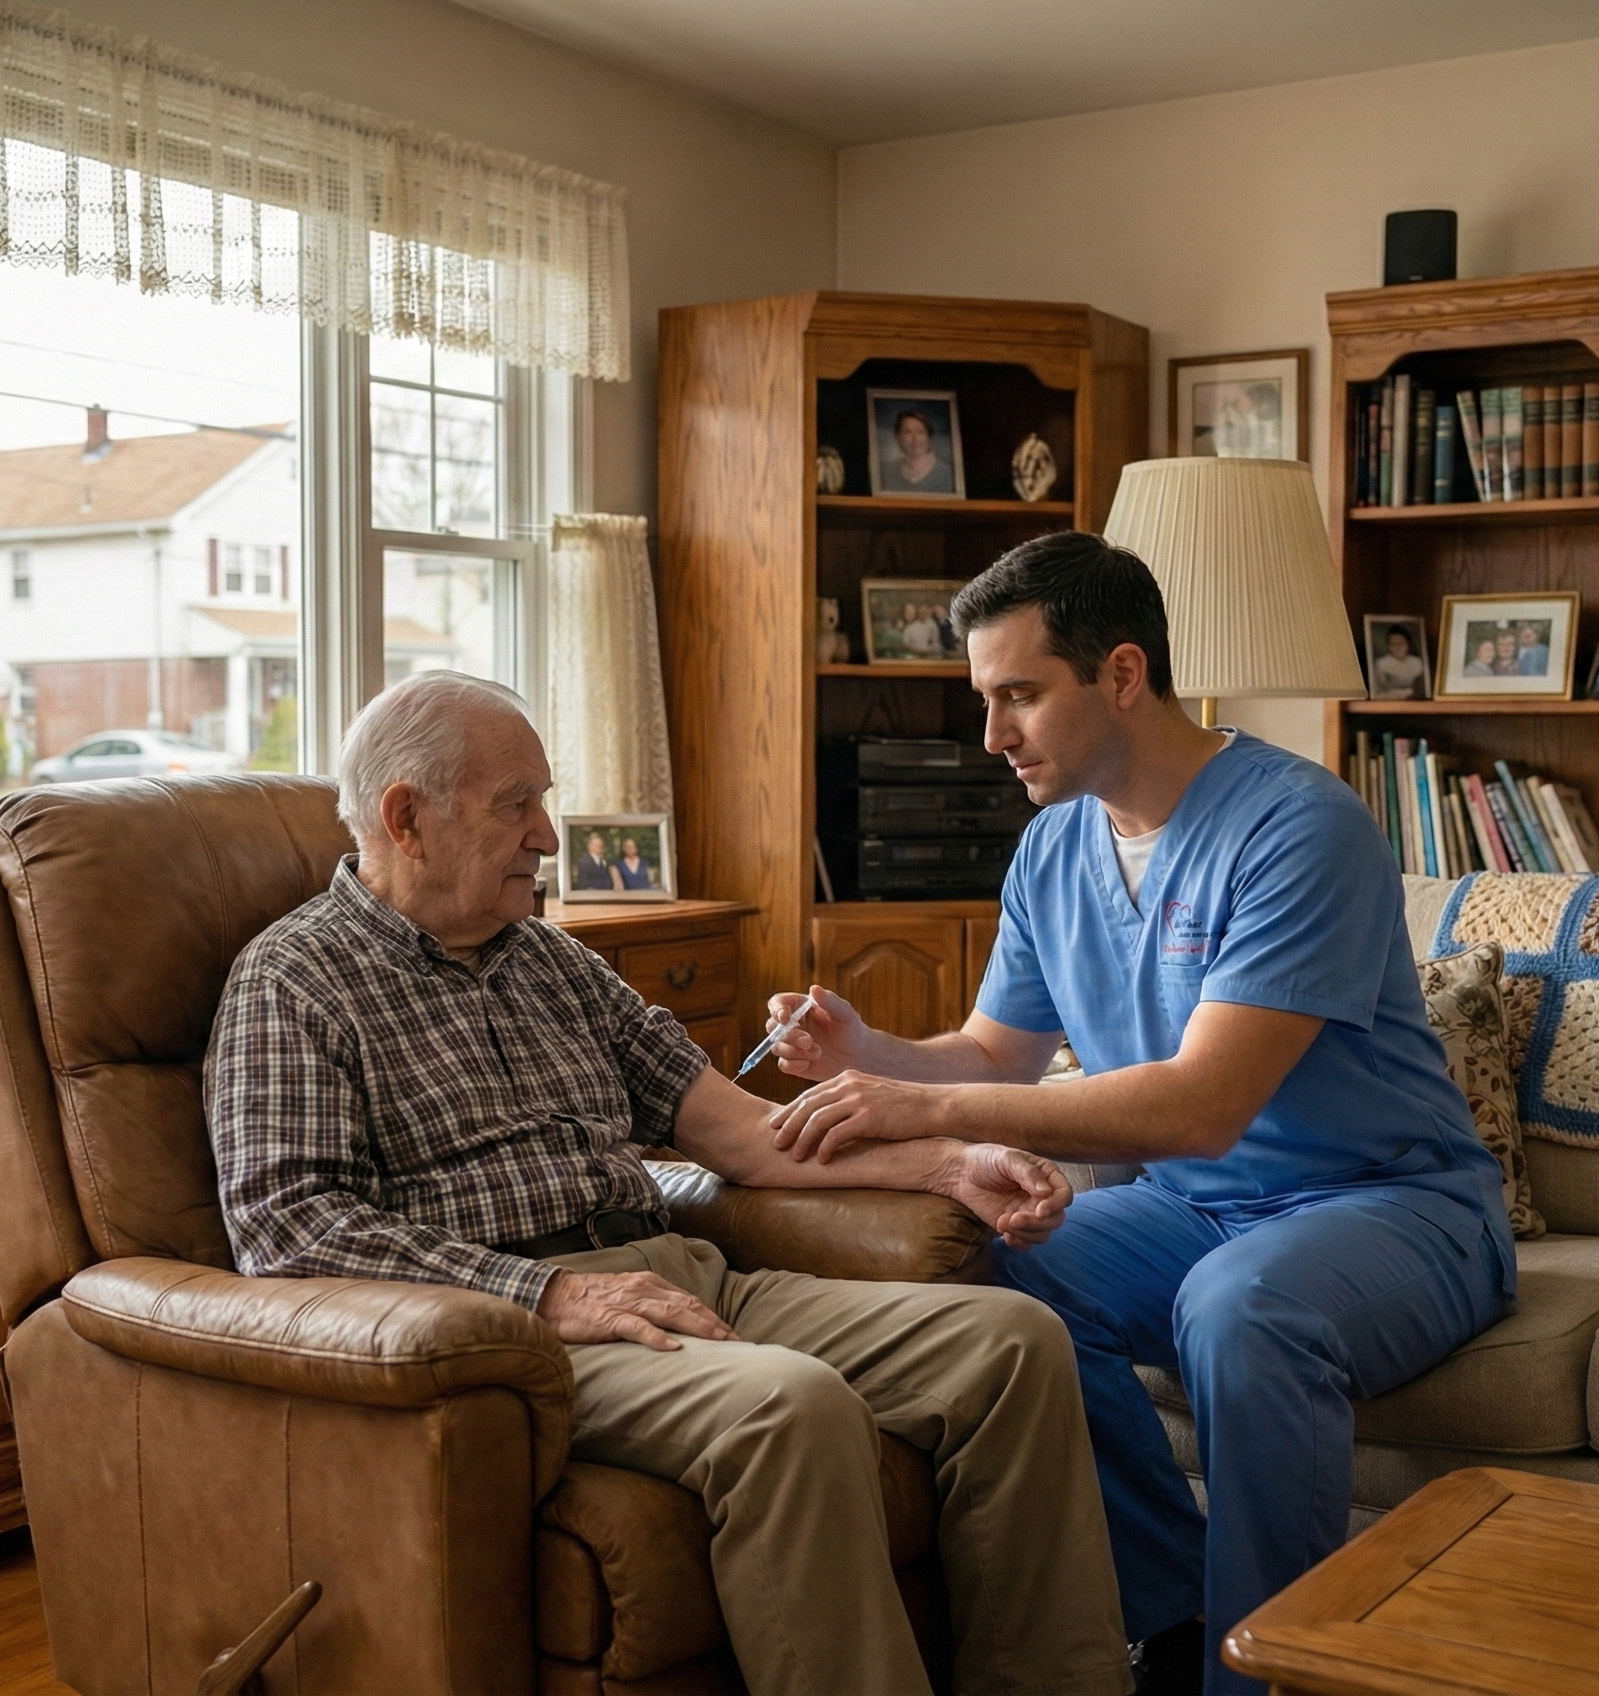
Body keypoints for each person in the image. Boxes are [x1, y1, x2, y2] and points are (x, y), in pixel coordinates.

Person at [205, 671, 1131, 1696]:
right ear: (406, 816)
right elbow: (290, 1229)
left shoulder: (552, 963)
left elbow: (745, 1135)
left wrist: (951, 1165)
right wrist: (556, 1295)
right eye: (519, 803)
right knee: (790, 1405)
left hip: (681, 1273)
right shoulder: (293, 981)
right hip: (513, 1325)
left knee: (1013, 1345)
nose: (549, 837)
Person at [757, 532, 1513, 1696]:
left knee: (1241, 1308)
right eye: (984, 699)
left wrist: (919, 1101)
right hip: (1187, 1210)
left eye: (1019, 695)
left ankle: (1256, 1676)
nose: (992, 736)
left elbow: (1205, 1105)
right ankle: (1170, 1614)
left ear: (1120, 673)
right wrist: (863, 1051)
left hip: (1393, 1209)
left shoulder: (1297, 826)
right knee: (985, 1267)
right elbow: (992, 1053)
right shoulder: (1052, 846)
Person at [881, 407, 955, 494]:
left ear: (929, 437)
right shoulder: (885, 472)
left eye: (920, 432)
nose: (915, 438)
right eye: (907, 432)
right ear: (897, 437)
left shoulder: (948, 473)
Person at [1369, 627, 1426, 700]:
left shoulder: (1417, 662)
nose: (1397, 647)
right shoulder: (1381, 664)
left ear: (1408, 644)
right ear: (1388, 646)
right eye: (1393, 644)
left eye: (1400, 643)